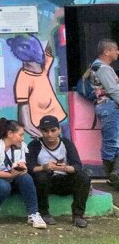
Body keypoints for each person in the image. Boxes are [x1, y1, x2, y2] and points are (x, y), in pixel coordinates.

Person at [0, 118, 47, 229]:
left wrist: (22, 169)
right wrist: (11, 175)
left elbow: (20, 165)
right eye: (20, 135)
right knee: (3, 186)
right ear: (10, 134)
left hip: (7, 176)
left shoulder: (20, 147)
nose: (22, 138)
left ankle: (33, 214)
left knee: (26, 178)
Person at [27, 115, 90, 228]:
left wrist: (64, 168)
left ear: (59, 130)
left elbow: (77, 166)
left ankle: (78, 216)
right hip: (45, 184)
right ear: (40, 131)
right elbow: (30, 168)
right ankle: (44, 213)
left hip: (65, 181)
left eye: (53, 130)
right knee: (41, 176)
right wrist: (44, 167)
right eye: (45, 131)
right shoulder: (35, 145)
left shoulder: (66, 143)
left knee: (83, 177)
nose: (49, 134)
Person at [89, 38, 119, 186]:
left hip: (106, 106)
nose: (117, 52)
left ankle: (114, 175)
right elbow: (113, 90)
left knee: (114, 141)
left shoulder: (95, 66)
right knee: (111, 142)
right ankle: (112, 176)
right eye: (115, 49)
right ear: (107, 52)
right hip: (110, 106)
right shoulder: (103, 68)